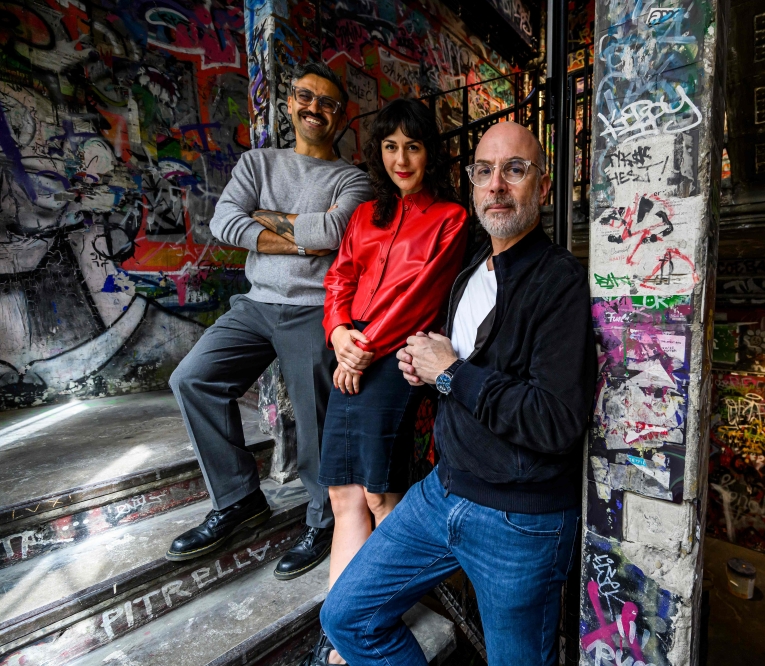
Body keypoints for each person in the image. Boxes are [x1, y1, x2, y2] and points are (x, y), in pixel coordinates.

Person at [320, 121, 597, 665]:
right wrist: (423, 370)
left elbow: (558, 420)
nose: (496, 185)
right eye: (484, 171)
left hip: (519, 518)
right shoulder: (470, 275)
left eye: (515, 170)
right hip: (443, 491)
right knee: (346, 616)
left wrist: (451, 373)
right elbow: (459, 377)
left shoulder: (559, 279)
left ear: (541, 188)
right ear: (471, 184)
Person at [166, 62, 372, 582]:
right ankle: (238, 499)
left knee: (316, 421)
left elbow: (334, 231)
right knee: (192, 379)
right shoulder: (258, 163)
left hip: (313, 310)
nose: (314, 109)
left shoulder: (353, 179)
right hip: (256, 305)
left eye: (326, 103)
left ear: (340, 115)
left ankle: (323, 520)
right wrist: (305, 235)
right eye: (306, 97)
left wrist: (267, 220)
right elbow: (226, 221)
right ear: (289, 103)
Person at [303, 99, 468, 666]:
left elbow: (419, 294)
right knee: (342, 492)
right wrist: (338, 333)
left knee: (380, 494)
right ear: (378, 151)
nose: (401, 158)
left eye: (413, 146)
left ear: (431, 154)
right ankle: (339, 624)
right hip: (352, 352)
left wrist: (363, 350)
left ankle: (373, 615)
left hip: (392, 363)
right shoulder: (365, 215)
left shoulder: (451, 218)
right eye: (391, 146)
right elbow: (339, 277)